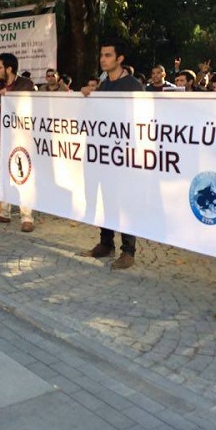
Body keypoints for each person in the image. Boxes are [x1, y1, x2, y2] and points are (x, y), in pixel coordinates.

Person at [80, 39, 145, 269]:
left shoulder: (133, 86)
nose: (103, 59)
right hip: (104, 153)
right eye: (101, 55)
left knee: (124, 200)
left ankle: (128, 250)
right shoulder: (103, 85)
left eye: (108, 55)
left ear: (120, 59)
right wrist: (88, 96)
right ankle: (106, 243)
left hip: (125, 154)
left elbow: (141, 119)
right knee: (105, 198)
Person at [0, 52, 36, 232]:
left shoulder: (26, 84)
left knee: (23, 177)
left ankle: (27, 217)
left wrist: (11, 95)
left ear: (9, 68)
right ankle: (3, 212)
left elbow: (32, 104)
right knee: (3, 177)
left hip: (21, 139)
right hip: (1, 138)